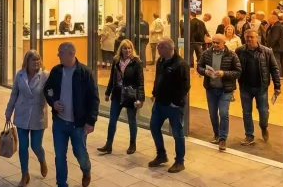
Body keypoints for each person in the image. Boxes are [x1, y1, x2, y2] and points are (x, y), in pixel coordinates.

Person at [44, 42, 99, 187]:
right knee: (60, 156)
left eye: (60, 52)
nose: (58, 55)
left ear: (70, 54)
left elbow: (94, 99)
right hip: (60, 123)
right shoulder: (56, 71)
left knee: (79, 153)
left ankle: (86, 169)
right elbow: (47, 90)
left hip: (78, 124)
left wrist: (91, 121)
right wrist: (53, 102)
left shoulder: (84, 73)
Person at [5, 50, 49, 187]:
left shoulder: (45, 76)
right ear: (27, 62)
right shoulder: (20, 74)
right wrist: (8, 111)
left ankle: (42, 161)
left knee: (36, 145)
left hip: (38, 114)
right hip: (22, 114)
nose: (36, 62)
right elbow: (14, 94)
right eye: (33, 60)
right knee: (23, 147)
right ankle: (25, 174)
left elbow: (51, 93)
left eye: (38, 59)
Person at [149, 38, 189, 173]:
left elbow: (185, 86)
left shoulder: (180, 65)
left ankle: (179, 161)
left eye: (159, 47)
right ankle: (161, 155)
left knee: (177, 134)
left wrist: (175, 102)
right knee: (154, 127)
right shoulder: (160, 61)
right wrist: (154, 93)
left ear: (166, 48)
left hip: (174, 106)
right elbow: (158, 79)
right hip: (160, 103)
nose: (157, 49)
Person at [98, 39, 145, 155]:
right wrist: (108, 92)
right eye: (125, 48)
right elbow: (112, 78)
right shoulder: (116, 60)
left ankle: (132, 144)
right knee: (112, 120)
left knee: (131, 120)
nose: (127, 50)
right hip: (117, 94)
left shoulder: (136, 62)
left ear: (132, 49)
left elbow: (140, 82)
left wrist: (140, 98)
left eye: (129, 48)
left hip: (130, 95)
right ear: (121, 49)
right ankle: (108, 144)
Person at [196, 34, 241, 151]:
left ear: (224, 43)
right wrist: (204, 71)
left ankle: (222, 139)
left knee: (224, 113)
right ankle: (216, 134)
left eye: (217, 43)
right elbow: (199, 67)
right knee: (212, 113)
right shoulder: (206, 53)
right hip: (211, 89)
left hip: (225, 90)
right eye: (213, 42)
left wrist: (224, 73)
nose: (215, 45)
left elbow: (238, 71)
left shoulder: (232, 55)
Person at [235, 29, 281, 145]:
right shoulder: (239, 51)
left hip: (261, 88)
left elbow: (274, 69)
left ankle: (264, 127)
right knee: (246, 112)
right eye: (247, 37)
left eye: (252, 37)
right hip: (245, 87)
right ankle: (249, 135)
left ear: (257, 38)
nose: (249, 39)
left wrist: (277, 86)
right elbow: (234, 68)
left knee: (263, 111)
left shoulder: (266, 51)